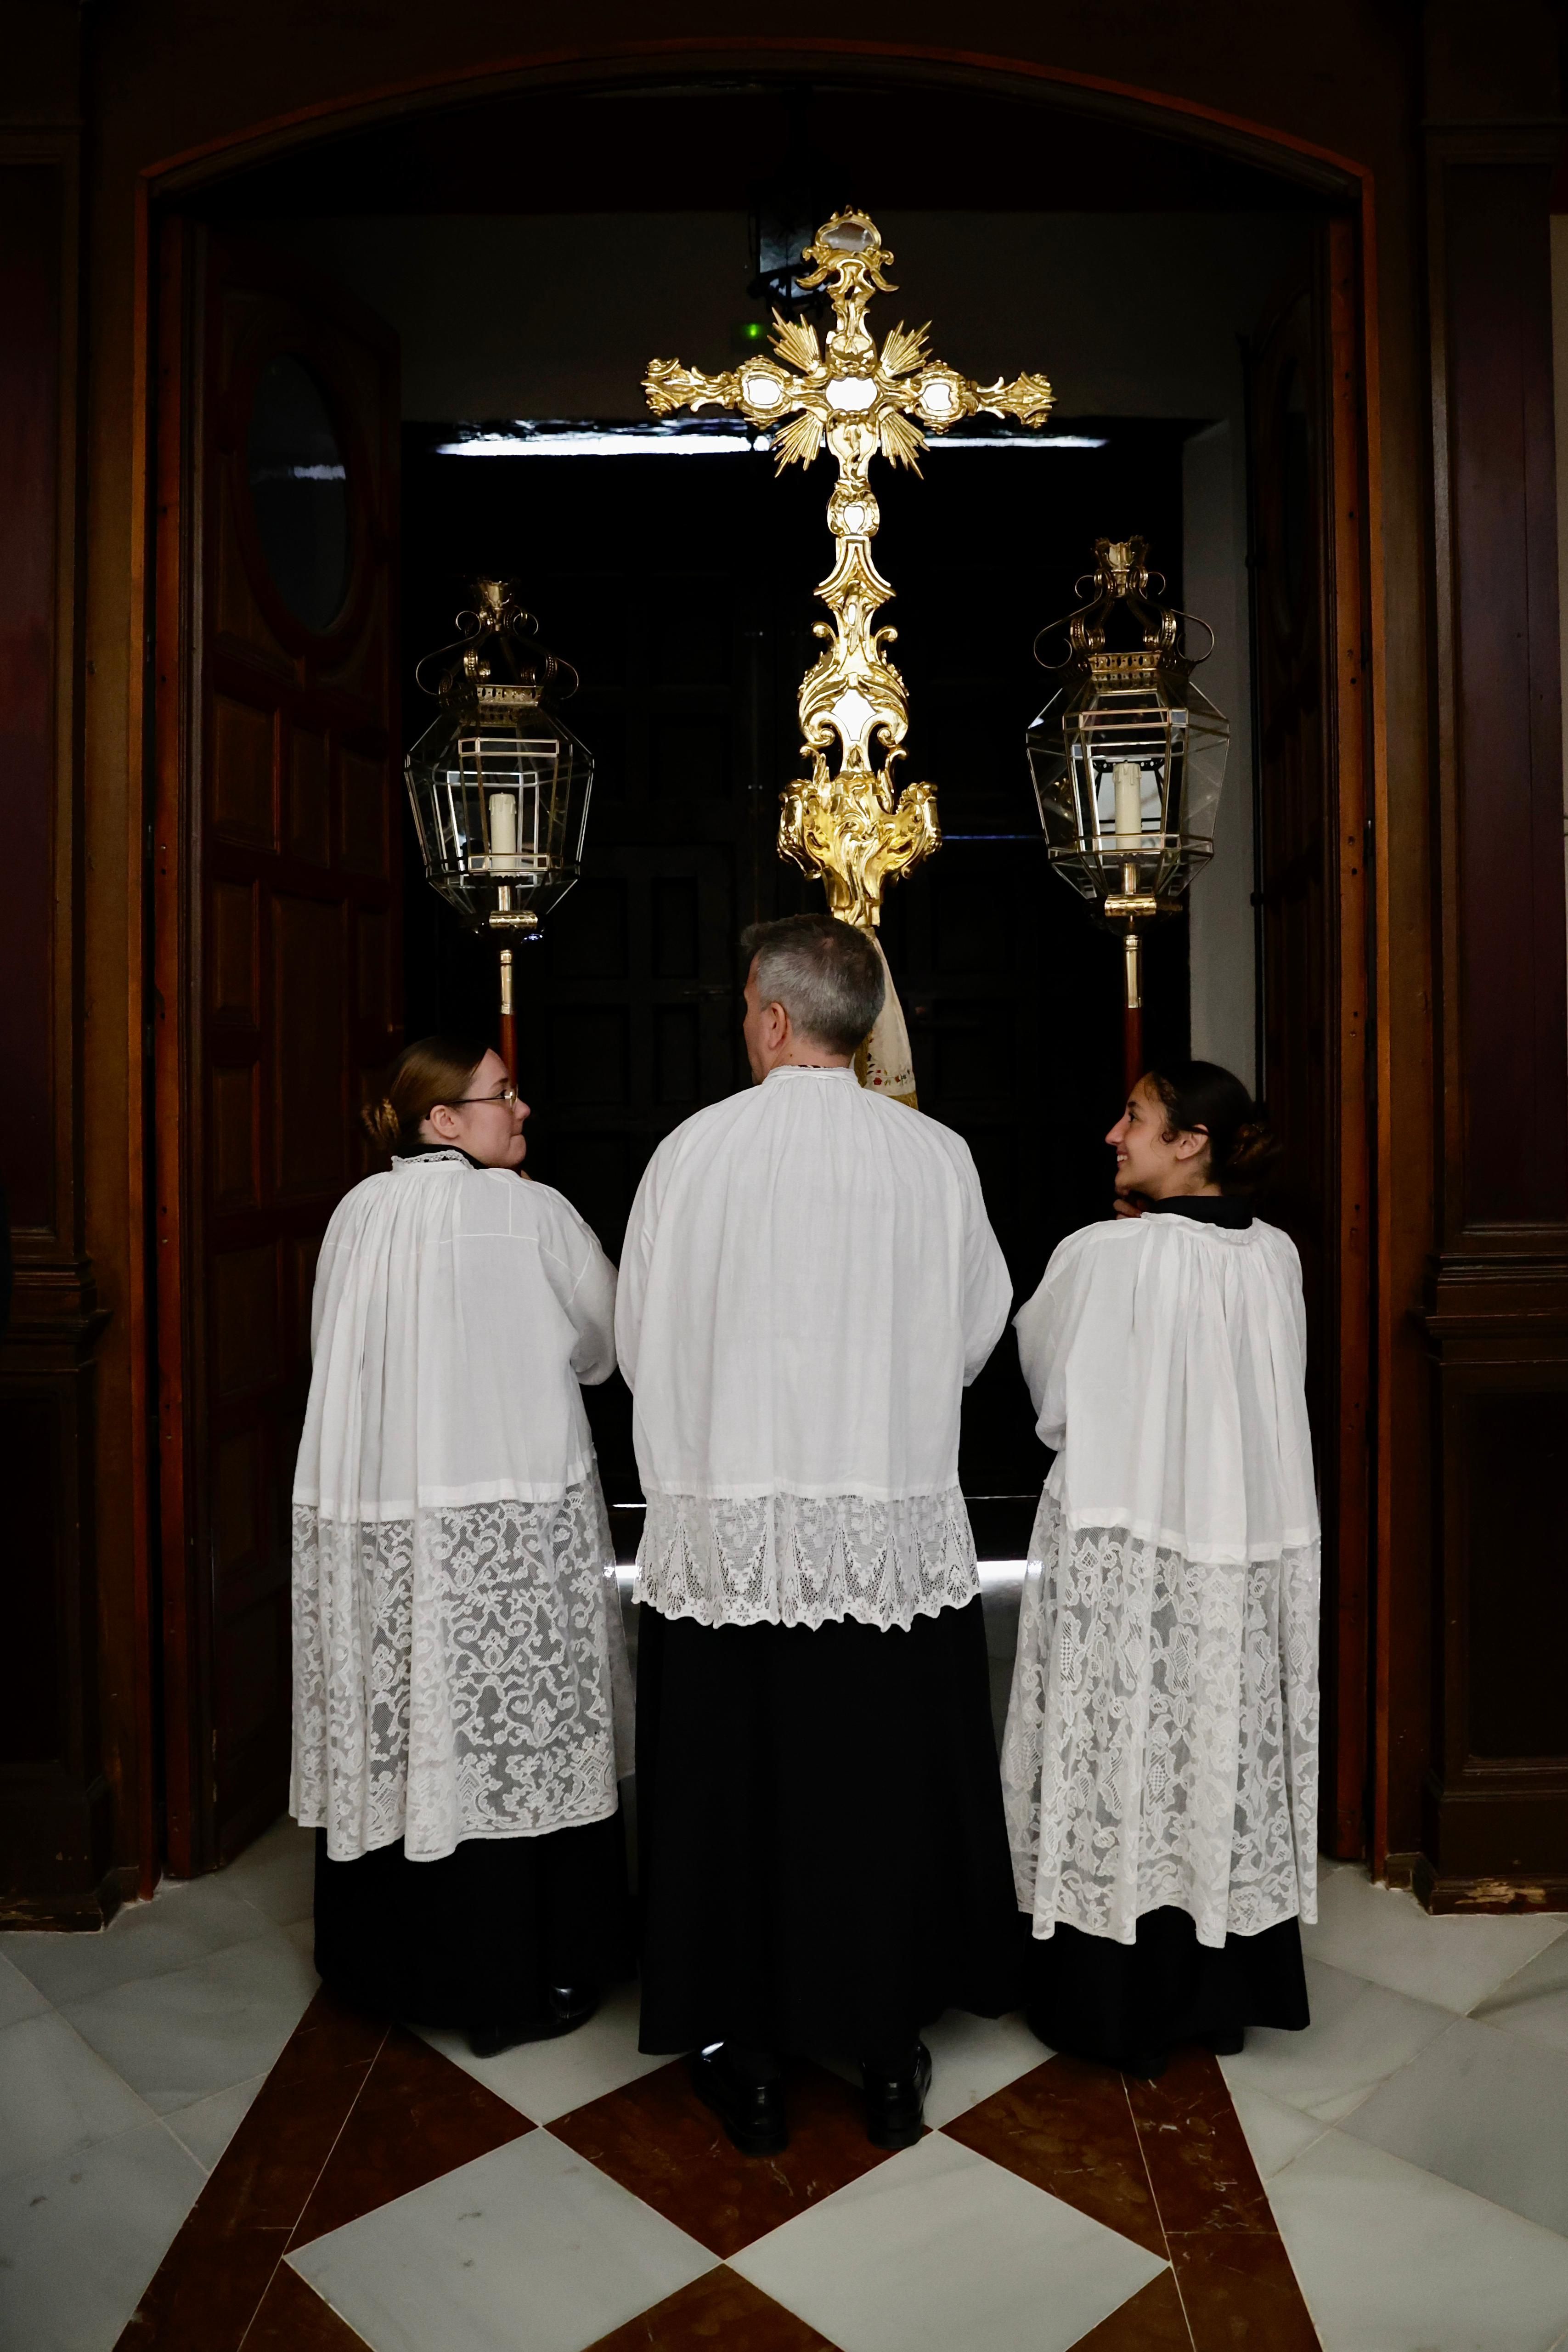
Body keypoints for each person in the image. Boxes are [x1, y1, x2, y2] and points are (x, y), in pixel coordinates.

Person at [617, 913, 1021, 2157]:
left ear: (774, 1016)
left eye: (746, 1007)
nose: (744, 1024)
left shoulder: (690, 1153)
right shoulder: (934, 1157)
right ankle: (887, 2052)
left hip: (726, 1536)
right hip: (881, 1536)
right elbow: (973, 1333)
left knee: (731, 1800)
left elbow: (638, 1340)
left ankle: (744, 2063)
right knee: (877, 1795)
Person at [292, 1036, 633, 2058]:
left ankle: (382, 1963)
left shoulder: (356, 1215)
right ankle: (518, 1977)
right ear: (441, 1120)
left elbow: (331, 1349)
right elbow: (607, 1343)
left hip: (381, 1512)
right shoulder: (533, 1212)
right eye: (502, 1096)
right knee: (506, 1730)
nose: (521, 1111)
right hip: (508, 1518)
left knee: (405, 1717)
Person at [1000, 1061, 1318, 2078]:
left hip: (1119, 1536)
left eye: (1133, 1117)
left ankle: (1108, 1992)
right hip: (1235, 1541)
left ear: (1192, 1144)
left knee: (1117, 1740)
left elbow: (1051, 1396)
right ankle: (1219, 1988)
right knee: (1212, 1741)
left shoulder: (1102, 1255)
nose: (1113, 1134)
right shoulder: (1276, 1257)